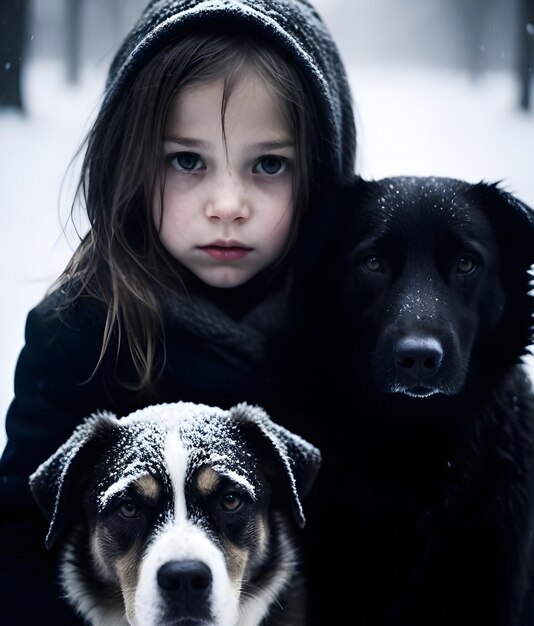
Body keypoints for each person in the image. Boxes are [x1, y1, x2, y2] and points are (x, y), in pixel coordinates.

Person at [0, 0, 356, 623]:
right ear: (129, 165)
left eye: (269, 164)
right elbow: (17, 544)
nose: (227, 203)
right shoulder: (81, 332)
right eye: (186, 160)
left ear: (319, 179)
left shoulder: (354, 335)